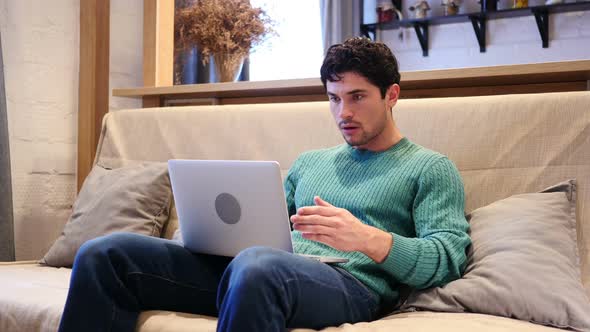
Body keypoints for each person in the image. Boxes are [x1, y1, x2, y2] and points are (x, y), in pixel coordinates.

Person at [58, 37, 470, 332]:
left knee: (257, 266)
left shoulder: (429, 167)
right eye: (333, 98)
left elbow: (446, 258)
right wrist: (208, 235)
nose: (343, 111)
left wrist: (368, 239)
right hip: (257, 271)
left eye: (358, 97)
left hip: (352, 286)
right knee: (105, 253)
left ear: (392, 95)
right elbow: (267, 228)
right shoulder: (312, 162)